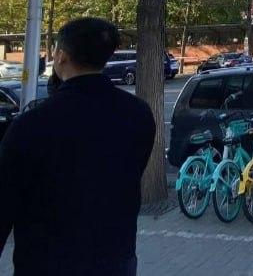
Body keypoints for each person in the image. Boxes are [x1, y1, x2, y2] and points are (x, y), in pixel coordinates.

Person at [0, 17, 156, 276]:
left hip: (47, 262)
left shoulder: (32, 124)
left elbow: (4, 202)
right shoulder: (138, 113)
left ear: (61, 56)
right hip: (115, 259)